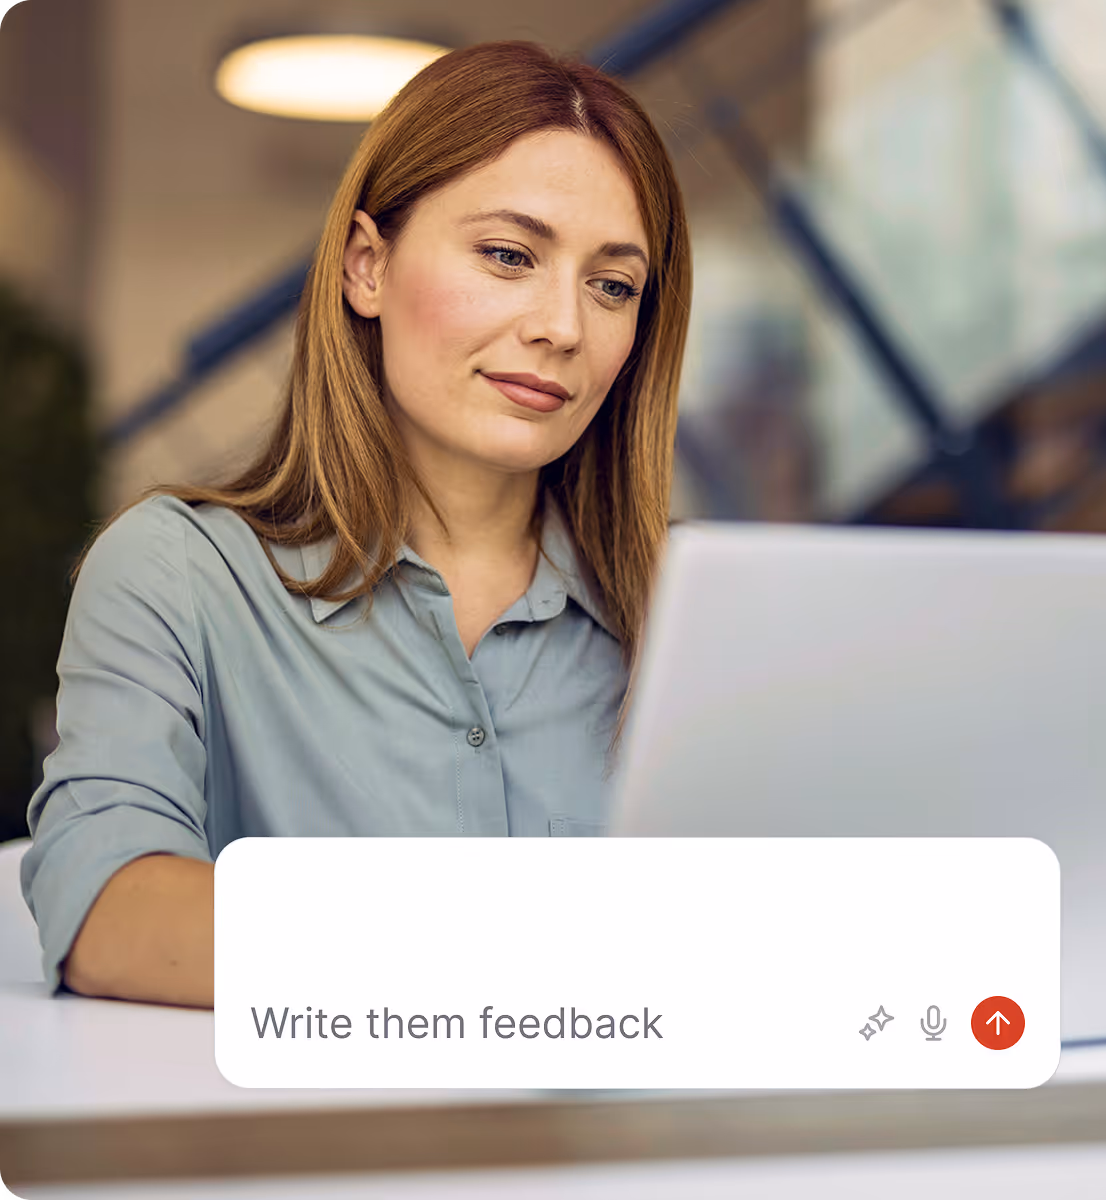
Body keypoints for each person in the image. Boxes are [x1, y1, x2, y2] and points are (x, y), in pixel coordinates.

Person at [20, 40, 693, 1009]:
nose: (563, 326)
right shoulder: (178, 573)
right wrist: (523, 957)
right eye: (509, 256)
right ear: (367, 268)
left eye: (613, 285)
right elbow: (106, 915)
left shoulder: (684, 613)